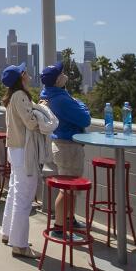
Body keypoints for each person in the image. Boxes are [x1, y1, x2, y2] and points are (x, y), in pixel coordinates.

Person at [39, 62, 91, 234]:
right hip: (68, 146)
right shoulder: (60, 99)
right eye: (62, 73)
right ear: (57, 80)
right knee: (66, 190)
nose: (65, 75)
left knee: (71, 188)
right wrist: (81, 104)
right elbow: (85, 119)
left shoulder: (52, 95)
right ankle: (59, 228)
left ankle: (70, 220)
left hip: (62, 144)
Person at [0, 63, 42, 258]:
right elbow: (31, 123)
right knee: (24, 197)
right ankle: (19, 244)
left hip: (14, 149)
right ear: (21, 77)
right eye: (25, 72)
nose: (29, 75)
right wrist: (41, 110)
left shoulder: (12, 97)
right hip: (24, 150)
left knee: (15, 192)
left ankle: (8, 233)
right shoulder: (21, 96)